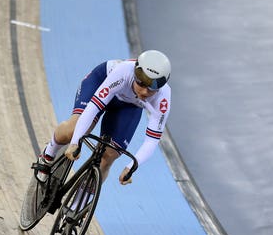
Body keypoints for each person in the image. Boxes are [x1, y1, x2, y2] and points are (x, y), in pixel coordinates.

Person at [35, 49, 172, 186]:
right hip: (101, 82)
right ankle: (48, 154)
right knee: (73, 129)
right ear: (135, 73)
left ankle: (78, 205)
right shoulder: (123, 71)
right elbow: (93, 107)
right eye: (141, 83)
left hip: (129, 106)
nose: (144, 91)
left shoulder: (163, 98)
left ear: (161, 86)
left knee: (109, 155)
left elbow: (152, 140)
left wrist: (131, 167)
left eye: (152, 88)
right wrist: (75, 141)